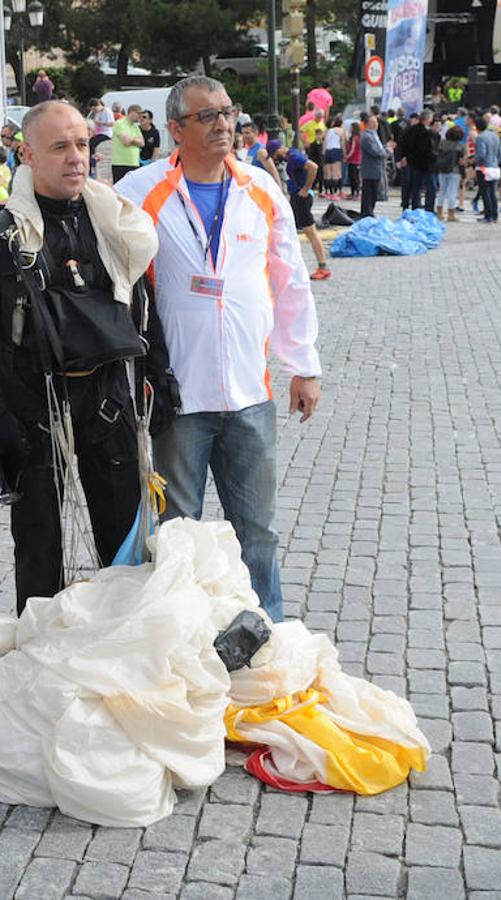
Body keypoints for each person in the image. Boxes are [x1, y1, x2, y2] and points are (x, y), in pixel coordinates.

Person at [117, 76, 320, 623]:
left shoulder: (259, 188)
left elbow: (290, 279)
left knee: (257, 529)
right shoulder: (140, 192)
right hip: (179, 397)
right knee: (178, 529)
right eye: (208, 117)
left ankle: (265, 632)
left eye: (228, 113)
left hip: (250, 395)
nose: (224, 125)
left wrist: (303, 366)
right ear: (176, 129)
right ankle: (180, 632)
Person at [0, 99, 165, 611]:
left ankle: (123, 644)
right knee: (39, 550)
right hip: (34, 409)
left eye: (82, 144)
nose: (77, 156)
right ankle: (41, 658)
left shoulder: (118, 224)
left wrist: (158, 383)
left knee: (126, 544)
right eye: (60, 146)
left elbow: (144, 309)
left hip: (109, 402)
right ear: (28, 154)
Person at [273, 141, 331, 280]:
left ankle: (323, 266)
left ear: (279, 150)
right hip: (298, 196)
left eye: (274, 155)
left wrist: (306, 188)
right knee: (290, 229)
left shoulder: (294, 157)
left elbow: (313, 167)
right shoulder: (293, 154)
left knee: (310, 231)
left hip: (301, 197)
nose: (275, 159)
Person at [399, 109, 437, 211]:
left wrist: (405, 157)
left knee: (414, 186)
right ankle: (429, 208)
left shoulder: (410, 130)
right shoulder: (427, 132)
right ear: (428, 119)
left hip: (413, 162)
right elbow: (426, 148)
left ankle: (412, 205)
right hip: (426, 164)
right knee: (430, 187)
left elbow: (404, 144)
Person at [473, 113, 501, 224]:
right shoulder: (495, 136)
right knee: (492, 193)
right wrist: (496, 162)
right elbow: (499, 152)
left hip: (484, 168)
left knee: (485, 193)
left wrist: (474, 161)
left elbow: (481, 154)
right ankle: (495, 215)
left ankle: (488, 216)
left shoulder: (480, 137)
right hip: (494, 166)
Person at [434, 125, 466, 221]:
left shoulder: (441, 143)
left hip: (441, 170)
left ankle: (439, 212)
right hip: (454, 171)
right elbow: (461, 162)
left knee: (442, 191)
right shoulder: (460, 146)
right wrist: (463, 174)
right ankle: (451, 214)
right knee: (452, 192)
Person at [359, 113, 387, 218]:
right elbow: (375, 152)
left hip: (376, 168)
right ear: (367, 124)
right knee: (369, 193)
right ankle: (367, 213)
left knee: (374, 192)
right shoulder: (366, 136)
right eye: (373, 122)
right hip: (370, 169)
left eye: (376, 122)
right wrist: (387, 151)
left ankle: (369, 212)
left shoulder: (374, 134)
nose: (375, 124)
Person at [110, 104, 144, 183]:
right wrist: (136, 140)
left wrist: (131, 139)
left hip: (134, 162)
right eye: (138, 113)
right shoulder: (119, 123)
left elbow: (142, 143)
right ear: (131, 112)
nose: (140, 116)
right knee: (120, 190)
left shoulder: (135, 127)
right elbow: (125, 142)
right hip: (120, 163)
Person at [321, 114, 344, 198]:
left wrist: (323, 153)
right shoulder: (340, 130)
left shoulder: (327, 131)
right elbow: (342, 143)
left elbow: (324, 141)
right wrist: (344, 153)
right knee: (337, 173)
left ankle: (328, 191)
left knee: (328, 173)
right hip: (336, 150)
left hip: (327, 151)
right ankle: (336, 192)